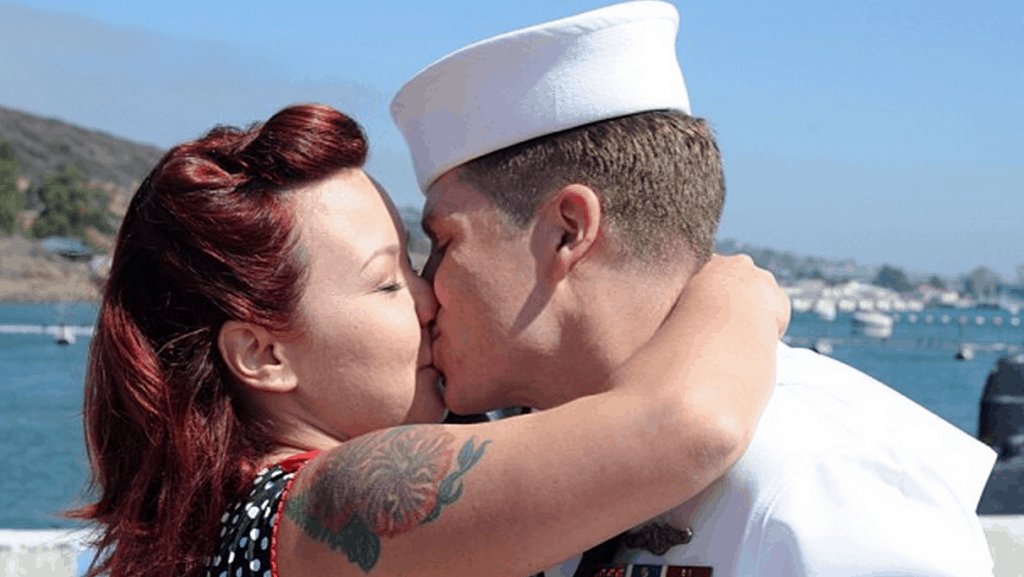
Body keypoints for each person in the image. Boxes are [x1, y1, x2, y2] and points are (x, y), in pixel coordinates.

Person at [389, 2, 998, 576]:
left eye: (443, 242)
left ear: (567, 232)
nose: (423, 288)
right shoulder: (527, 457)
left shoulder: (824, 483)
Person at [72, 102, 789, 577]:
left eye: (418, 264)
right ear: (264, 355)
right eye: (387, 283)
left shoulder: (236, 520)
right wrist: (737, 292)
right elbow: (688, 426)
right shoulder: (323, 506)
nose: (428, 297)